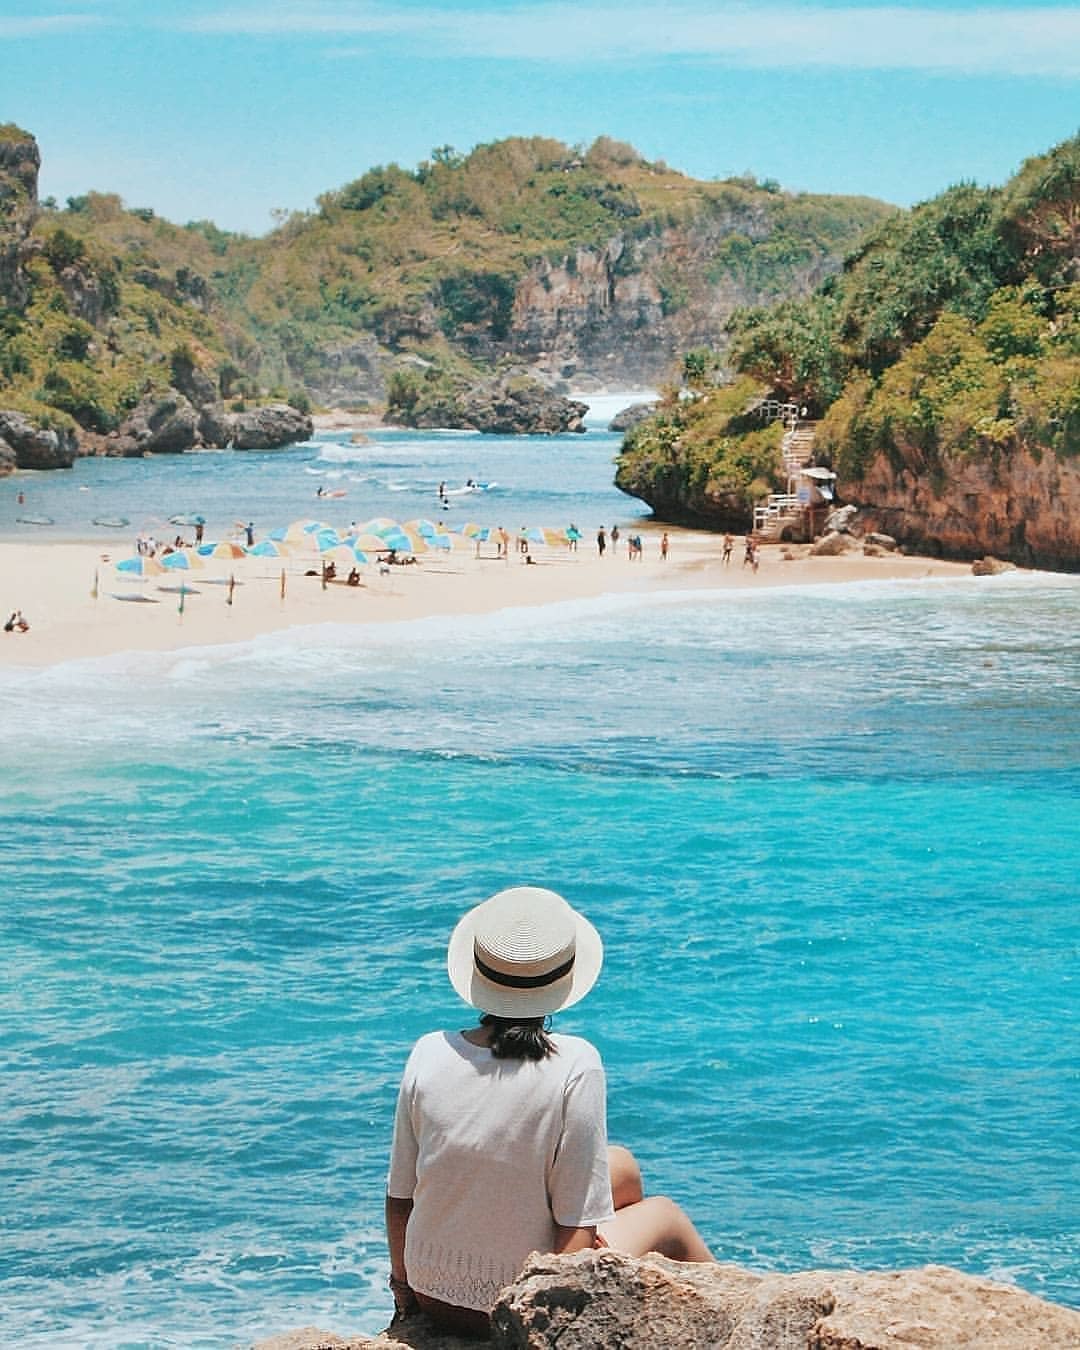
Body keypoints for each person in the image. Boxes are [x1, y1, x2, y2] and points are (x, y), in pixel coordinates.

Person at [386, 887, 713, 1338]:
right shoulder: (576, 1064)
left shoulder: (428, 1052)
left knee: (623, 1169)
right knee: (664, 1214)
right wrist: (555, 1308)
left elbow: (400, 1197)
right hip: (515, 1306)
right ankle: (736, 1318)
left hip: (431, 1291)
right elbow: (576, 1229)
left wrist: (405, 1293)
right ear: (562, 982)